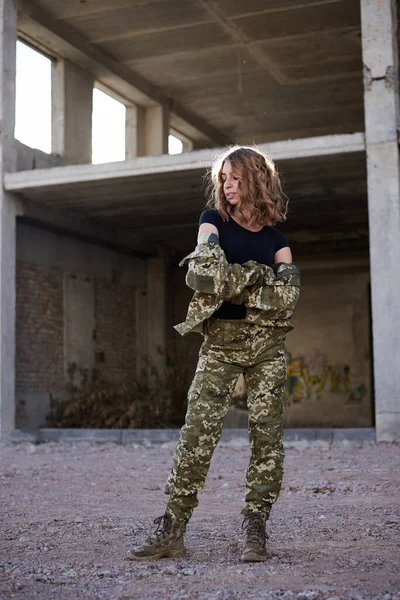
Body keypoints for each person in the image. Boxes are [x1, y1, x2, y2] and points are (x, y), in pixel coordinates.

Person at [127, 145, 300, 563]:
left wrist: (234, 278)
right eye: (223, 178)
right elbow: (202, 275)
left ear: (257, 180)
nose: (227, 185)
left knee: (266, 438)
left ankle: (255, 529)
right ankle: (172, 529)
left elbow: (288, 298)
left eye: (236, 178)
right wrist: (261, 278)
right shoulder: (212, 222)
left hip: (267, 348)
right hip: (221, 342)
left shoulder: (277, 239)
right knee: (196, 436)